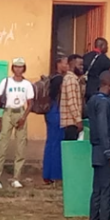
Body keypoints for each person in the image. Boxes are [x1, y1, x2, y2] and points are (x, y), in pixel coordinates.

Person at [87, 71, 110, 220]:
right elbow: (103, 128)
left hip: (97, 150)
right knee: (107, 190)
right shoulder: (104, 103)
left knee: (97, 189)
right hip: (106, 150)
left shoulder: (93, 100)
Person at [0, 58, 34, 189]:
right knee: (2, 145)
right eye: (16, 67)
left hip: (20, 112)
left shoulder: (27, 84)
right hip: (8, 113)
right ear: (13, 68)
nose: (18, 69)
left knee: (20, 147)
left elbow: (30, 103)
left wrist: (24, 117)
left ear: (24, 68)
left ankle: (16, 177)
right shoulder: (6, 82)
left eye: (21, 67)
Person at [43, 56, 69, 184]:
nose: (67, 65)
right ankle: (54, 174)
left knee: (51, 142)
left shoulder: (52, 77)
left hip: (51, 111)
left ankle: (48, 173)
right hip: (56, 111)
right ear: (59, 64)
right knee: (56, 142)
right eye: (65, 63)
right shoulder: (59, 79)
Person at [60, 54, 84, 140]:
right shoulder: (71, 80)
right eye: (80, 64)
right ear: (72, 64)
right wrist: (78, 120)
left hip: (70, 122)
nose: (82, 67)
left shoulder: (72, 79)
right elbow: (72, 102)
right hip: (71, 123)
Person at [83, 38, 110, 102]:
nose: (107, 48)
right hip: (97, 89)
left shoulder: (85, 56)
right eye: (106, 46)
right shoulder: (105, 60)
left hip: (85, 88)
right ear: (102, 46)